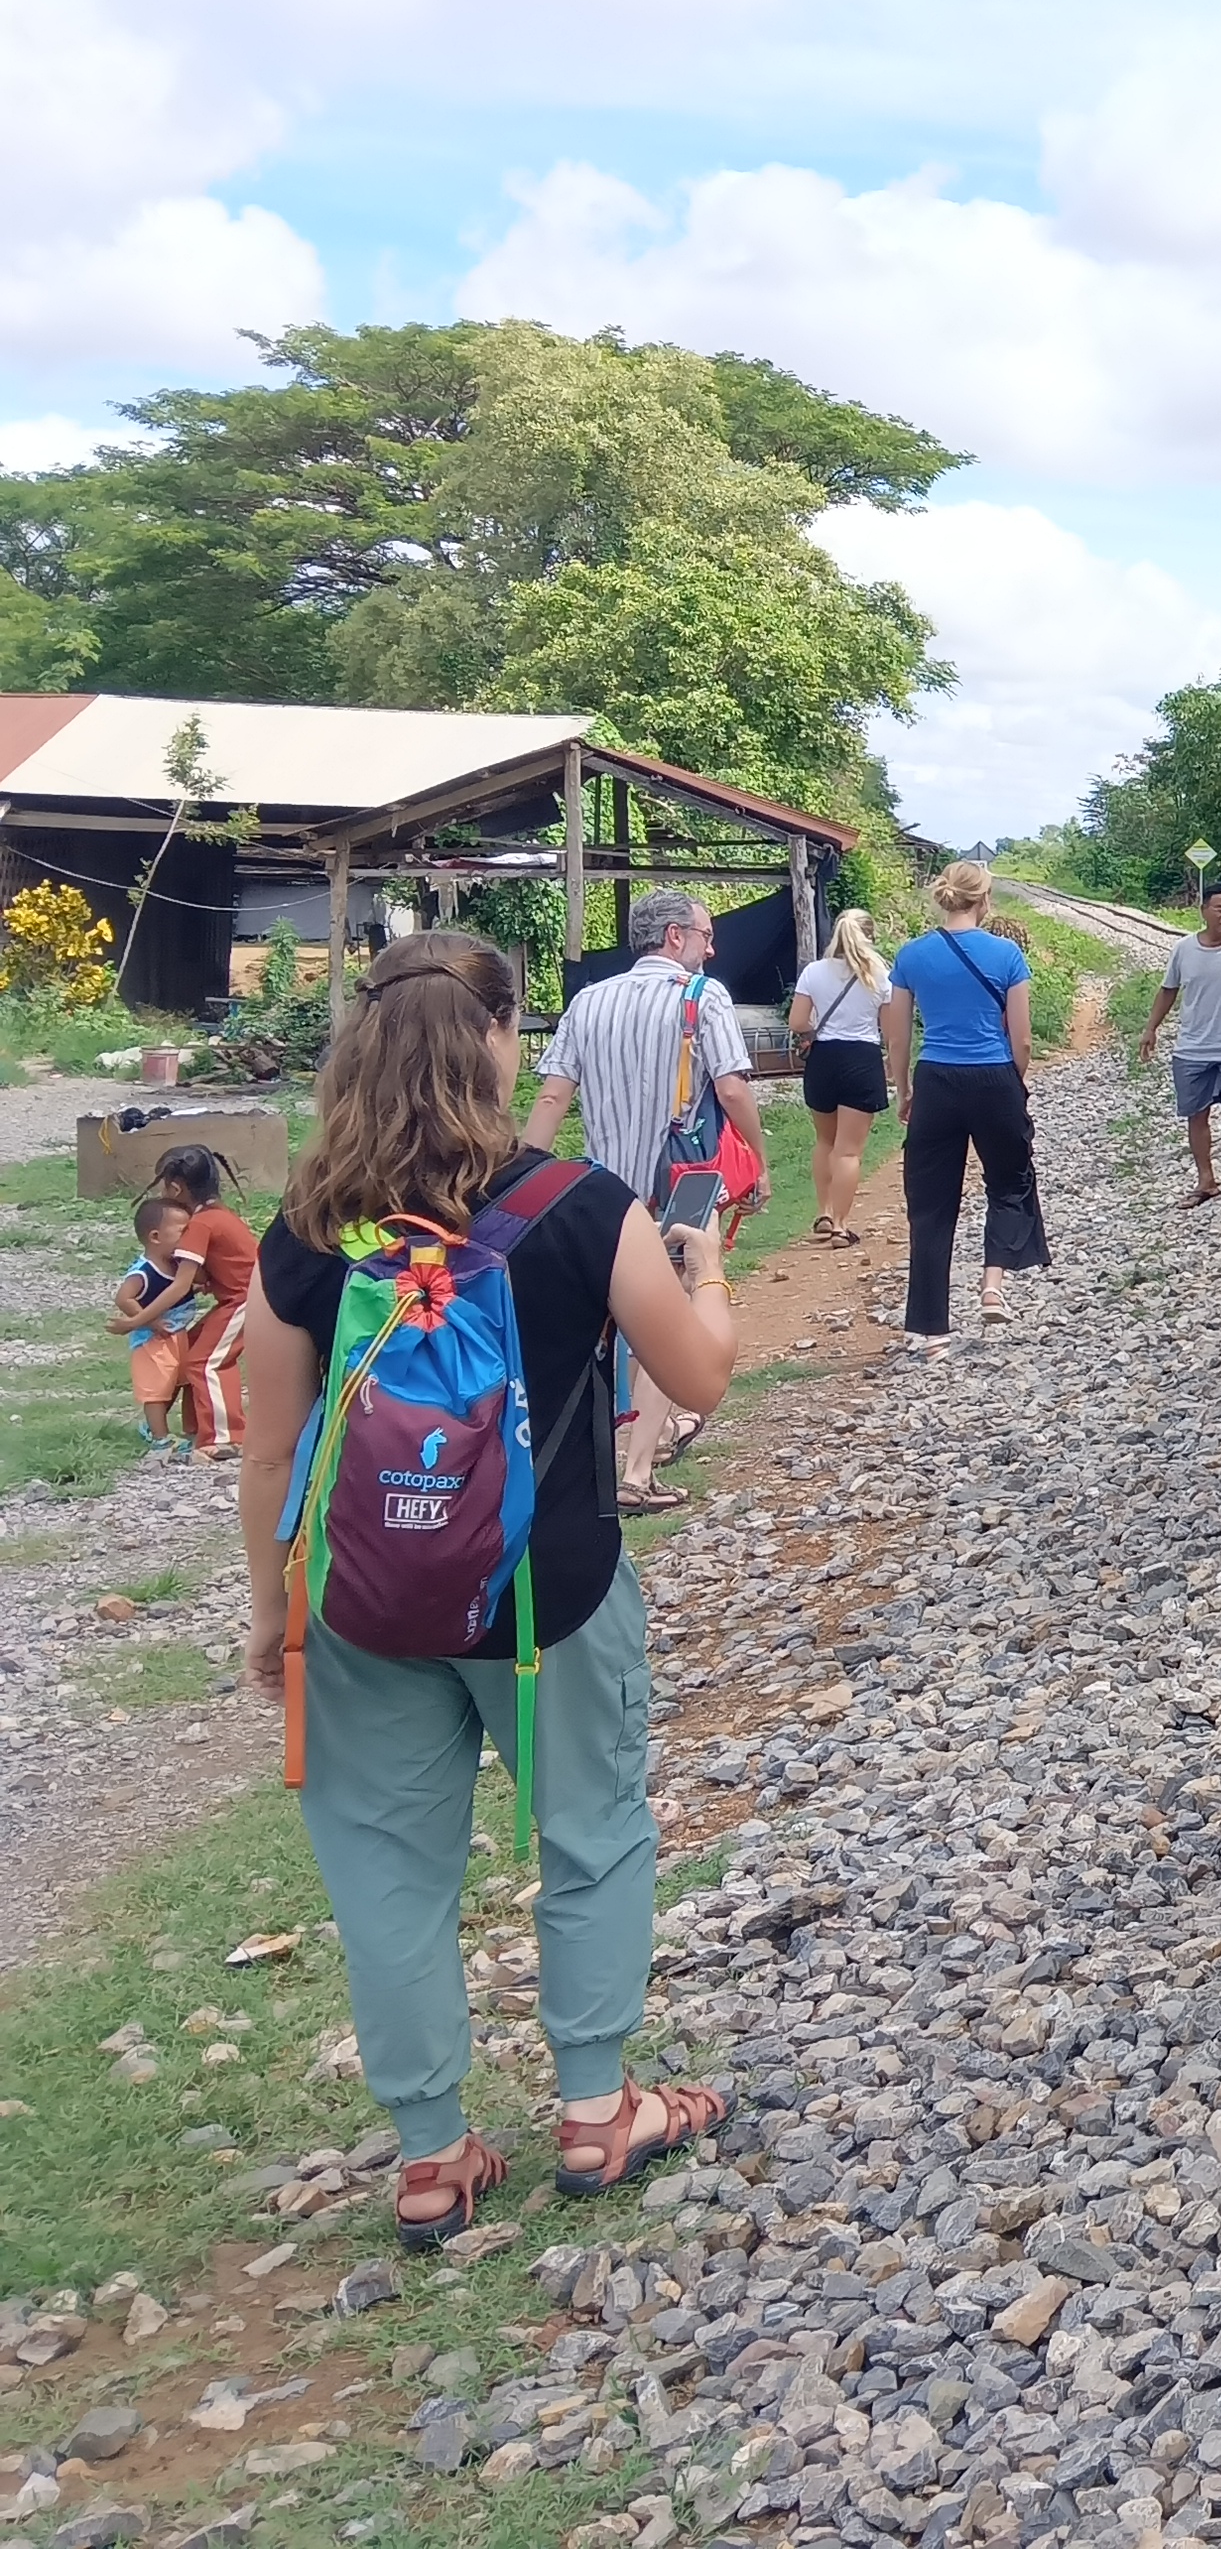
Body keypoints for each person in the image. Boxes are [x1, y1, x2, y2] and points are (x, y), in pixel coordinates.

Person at [237, 929, 739, 2246]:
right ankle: (593, 2109)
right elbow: (697, 1380)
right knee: (590, 1833)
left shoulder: (305, 1233)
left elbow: (273, 1446)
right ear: (503, 1040)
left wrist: (268, 1611)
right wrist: (714, 1275)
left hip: (357, 1607)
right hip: (546, 1600)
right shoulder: (578, 1205)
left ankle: (428, 2155)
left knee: (389, 1874)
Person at [526, 892, 760, 1503]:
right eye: (707, 935)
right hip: (683, 1183)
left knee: (614, 1313)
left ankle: (616, 1440)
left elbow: (553, 1097)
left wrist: (524, 1176)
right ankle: (638, 1468)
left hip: (605, 1187)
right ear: (676, 937)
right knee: (676, 1309)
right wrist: (757, 1158)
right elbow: (732, 1089)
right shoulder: (702, 996)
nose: (713, 948)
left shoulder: (587, 1001)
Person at [882, 861, 1050, 1346]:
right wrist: (1011, 1086)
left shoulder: (911, 955)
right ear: (984, 899)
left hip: (935, 1077)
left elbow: (897, 1036)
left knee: (930, 1203)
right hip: (994, 1077)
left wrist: (904, 1090)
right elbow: (1021, 1040)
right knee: (1010, 1180)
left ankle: (930, 1328)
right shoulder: (1006, 954)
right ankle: (992, 1286)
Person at [1132, 880, 1221, 1204]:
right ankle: (1205, 1178)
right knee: (1197, 1112)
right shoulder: (1184, 949)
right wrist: (1151, 1028)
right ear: (1204, 911)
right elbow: (1168, 989)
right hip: (1193, 1047)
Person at [785, 906, 890, 1245]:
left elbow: (797, 1022)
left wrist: (820, 1028)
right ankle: (843, 1226)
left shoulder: (814, 972)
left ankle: (825, 1212)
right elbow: (888, 1030)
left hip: (824, 1059)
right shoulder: (880, 974)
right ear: (869, 936)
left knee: (825, 1141)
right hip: (862, 1057)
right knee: (849, 1151)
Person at [150, 1144, 259, 1459]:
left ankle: (226, 1436)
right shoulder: (216, 1214)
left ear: (175, 1187)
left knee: (206, 1361)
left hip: (245, 1299)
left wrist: (137, 1318)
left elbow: (181, 1283)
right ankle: (198, 1429)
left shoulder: (201, 1223)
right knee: (193, 1350)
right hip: (241, 1296)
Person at [111, 1190, 205, 1454]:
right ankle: (161, 1439)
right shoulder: (144, 1271)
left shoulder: (177, 1265)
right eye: (182, 1232)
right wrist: (149, 1321)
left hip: (177, 1334)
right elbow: (124, 1298)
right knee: (156, 1388)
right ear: (155, 1237)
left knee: (175, 1381)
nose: (189, 1239)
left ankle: (155, 1428)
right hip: (152, 1339)